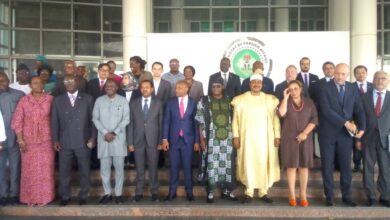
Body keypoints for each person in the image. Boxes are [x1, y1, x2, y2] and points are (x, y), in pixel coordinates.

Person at [318, 63, 366, 207]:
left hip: (346, 136)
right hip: (327, 134)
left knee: (346, 166)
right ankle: (329, 197)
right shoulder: (324, 88)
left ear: (347, 75)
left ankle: (347, 196)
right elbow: (326, 110)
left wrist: (362, 128)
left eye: (343, 74)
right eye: (337, 73)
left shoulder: (352, 88)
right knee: (327, 165)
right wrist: (345, 122)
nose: (339, 76)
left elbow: (359, 109)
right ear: (334, 72)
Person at [231, 74, 280, 203]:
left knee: (264, 163)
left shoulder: (270, 100)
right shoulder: (240, 100)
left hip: (265, 139)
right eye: (254, 82)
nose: (256, 84)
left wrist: (277, 135)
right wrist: (235, 136)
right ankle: (249, 191)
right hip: (247, 139)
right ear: (249, 84)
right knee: (248, 163)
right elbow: (235, 120)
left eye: (259, 82)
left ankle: (263, 192)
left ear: (262, 85)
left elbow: (275, 119)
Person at [51, 75, 95, 206]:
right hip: (64, 141)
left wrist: (93, 137)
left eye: (72, 81)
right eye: (66, 81)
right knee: (64, 171)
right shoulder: (58, 100)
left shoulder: (88, 98)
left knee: (84, 169)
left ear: (78, 83)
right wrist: (55, 139)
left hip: (83, 140)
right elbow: (54, 121)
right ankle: (65, 196)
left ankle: (84, 195)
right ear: (64, 84)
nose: (69, 83)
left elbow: (93, 120)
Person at [11, 76, 55, 206]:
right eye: (34, 83)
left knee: (45, 170)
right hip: (28, 141)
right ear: (30, 85)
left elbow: (56, 120)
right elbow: (17, 121)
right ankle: (30, 198)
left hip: (47, 140)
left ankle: (45, 197)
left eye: (40, 82)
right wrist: (20, 140)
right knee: (29, 170)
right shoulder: (24, 101)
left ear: (44, 84)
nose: (37, 85)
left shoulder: (51, 100)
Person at [195, 78, 237, 203]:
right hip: (211, 139)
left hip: (227, 140)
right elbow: (199, 121)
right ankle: (210, 192)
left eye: (218, 86)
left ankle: (226, 191)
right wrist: (201, 139)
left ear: (223, 87)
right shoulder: (204, 100)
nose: (215, 89)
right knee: (211, 165)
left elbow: (237, 119)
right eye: (213, 87)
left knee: (227, 165)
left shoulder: (230, 100)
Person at [278, 80, 318, 207]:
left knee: (303, 167)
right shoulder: (286, 102)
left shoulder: (309, 102)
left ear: (301, 89)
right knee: (291, 167)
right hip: (289, 138)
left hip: (305, 137)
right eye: (290, 89)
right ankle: (292, 194)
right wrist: (285, 97)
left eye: (296, 88)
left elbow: (315, 119)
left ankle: (303, 194)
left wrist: (305, 133)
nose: (293, 91)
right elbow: (281, 113)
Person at [92, 79, 130, 205]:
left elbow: (126, 119)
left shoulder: (123, 100)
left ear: (117, 87)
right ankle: (107, 193)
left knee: (119, 169)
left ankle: (118, 194)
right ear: (104, 87)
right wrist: (105, 132)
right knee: (105, 169)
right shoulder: (99, 100)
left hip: (118, 139)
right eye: (107, 85)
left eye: (112, 85)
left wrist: (114, 132)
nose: (109, 87)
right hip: (104, 140)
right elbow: (95, 118)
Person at [162, 80, 199, 202]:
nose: (177, 90)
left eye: (180, 88)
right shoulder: (171, 102)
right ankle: (172, 192)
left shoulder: (194, 102)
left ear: (186, 89)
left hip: (188, 140)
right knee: (174, 167)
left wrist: (197, 141)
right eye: (176, 88)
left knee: (188, 167)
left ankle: (189, 192)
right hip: (173, 140)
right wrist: (164, 139)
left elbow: (195, 123)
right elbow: (166, 121)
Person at [127, 80, 163, 202]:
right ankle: (139, 192)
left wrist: (160, 141)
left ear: (152, 89)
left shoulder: (158, 103)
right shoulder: (133, 103)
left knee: (153, 168)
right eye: (142, 87)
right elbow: (130, 124)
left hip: (153, 140)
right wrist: (130, 142)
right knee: (139, 168)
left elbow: (161, 123)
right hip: (138, 141)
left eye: (147, 87)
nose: (145, 89)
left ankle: (154, 192)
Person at [361, 71, 390, 207]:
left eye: (383, 78)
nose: (380, 80)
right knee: (368, 168)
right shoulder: (364, 97)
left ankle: (385, 195)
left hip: (386, 138)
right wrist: (357, 138)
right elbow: (359, 117)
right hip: (368, 137)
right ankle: (370, 196)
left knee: (385, 168)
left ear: (388, 81)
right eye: (377, 78)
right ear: (372, 80)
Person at [0, 72, 24, 206]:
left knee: (15, 168)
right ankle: (3, 194)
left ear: (9, 80)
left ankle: (14, 194)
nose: (1, 83)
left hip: (14, 138)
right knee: (0, 169)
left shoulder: (18, 95)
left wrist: (21, 137)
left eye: (4, 80)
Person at [352, 65, 373, 173]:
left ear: (366, 73)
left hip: (370, 119)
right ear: (354, 74)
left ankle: (368, 164)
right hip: (355, 119)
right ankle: (356, 163)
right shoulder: (350, 87)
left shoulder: (373, 86)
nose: (361, 74)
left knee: (368, 142)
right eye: (358, 72)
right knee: (357, 141)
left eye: (363, 72)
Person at [150, 61, 171, 168]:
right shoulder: (147, 83)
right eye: (155, 68)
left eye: (159, 69)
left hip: (162, 114)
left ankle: (160, 161)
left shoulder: (167, 84)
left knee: (161, 136)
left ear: (162, 71)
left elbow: (167, 100)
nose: (157, 71)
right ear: (152, 70)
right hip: (148, 115)